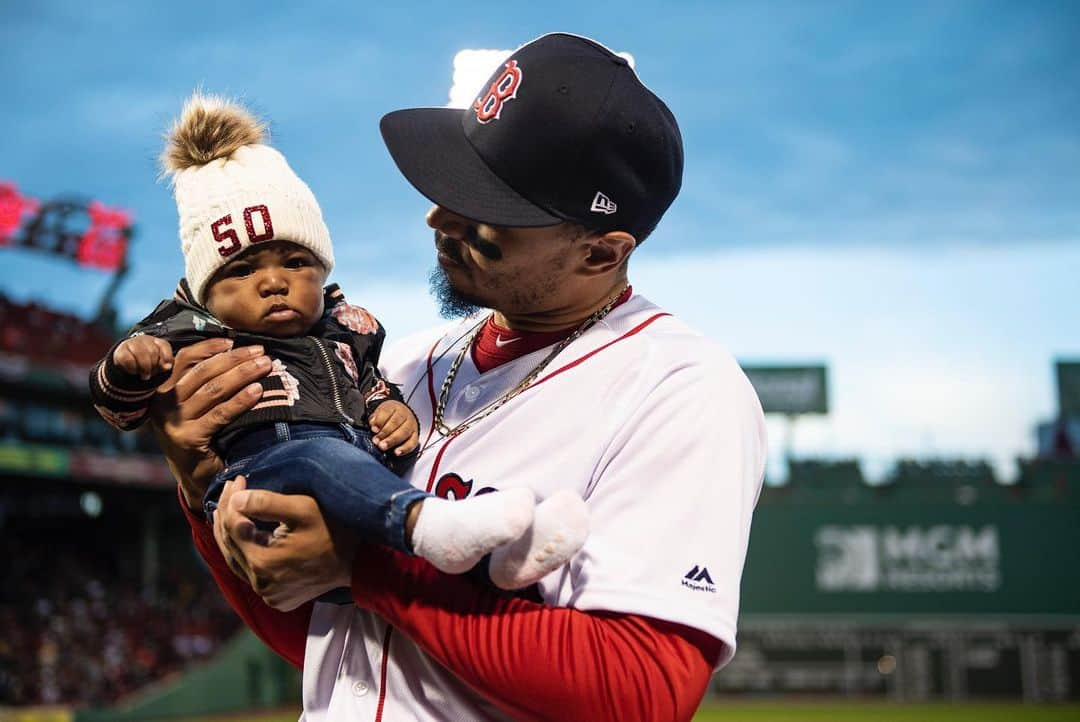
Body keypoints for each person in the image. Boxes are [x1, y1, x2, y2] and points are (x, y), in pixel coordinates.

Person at [154, 33, 767, 721]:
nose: (439, 217)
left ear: (600, 251)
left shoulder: (679, 388)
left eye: (487, 211)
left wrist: (368, 563)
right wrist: (203, 480)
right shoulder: (399, 363)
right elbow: (338, 641)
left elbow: (637, 691)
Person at [91, 93, 588, 596]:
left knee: (367, 489)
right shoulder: (187, 329)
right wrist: (127, 368)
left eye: (294, 262)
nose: (273, 283)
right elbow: (119, 406)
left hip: (349, 486)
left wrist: (392, 411)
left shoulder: (347, 331)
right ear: (205, 291)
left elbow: (371, 387)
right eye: (241, 271)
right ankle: (436, 526)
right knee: (319, 458)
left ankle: (494, 567)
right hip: (265, 477)